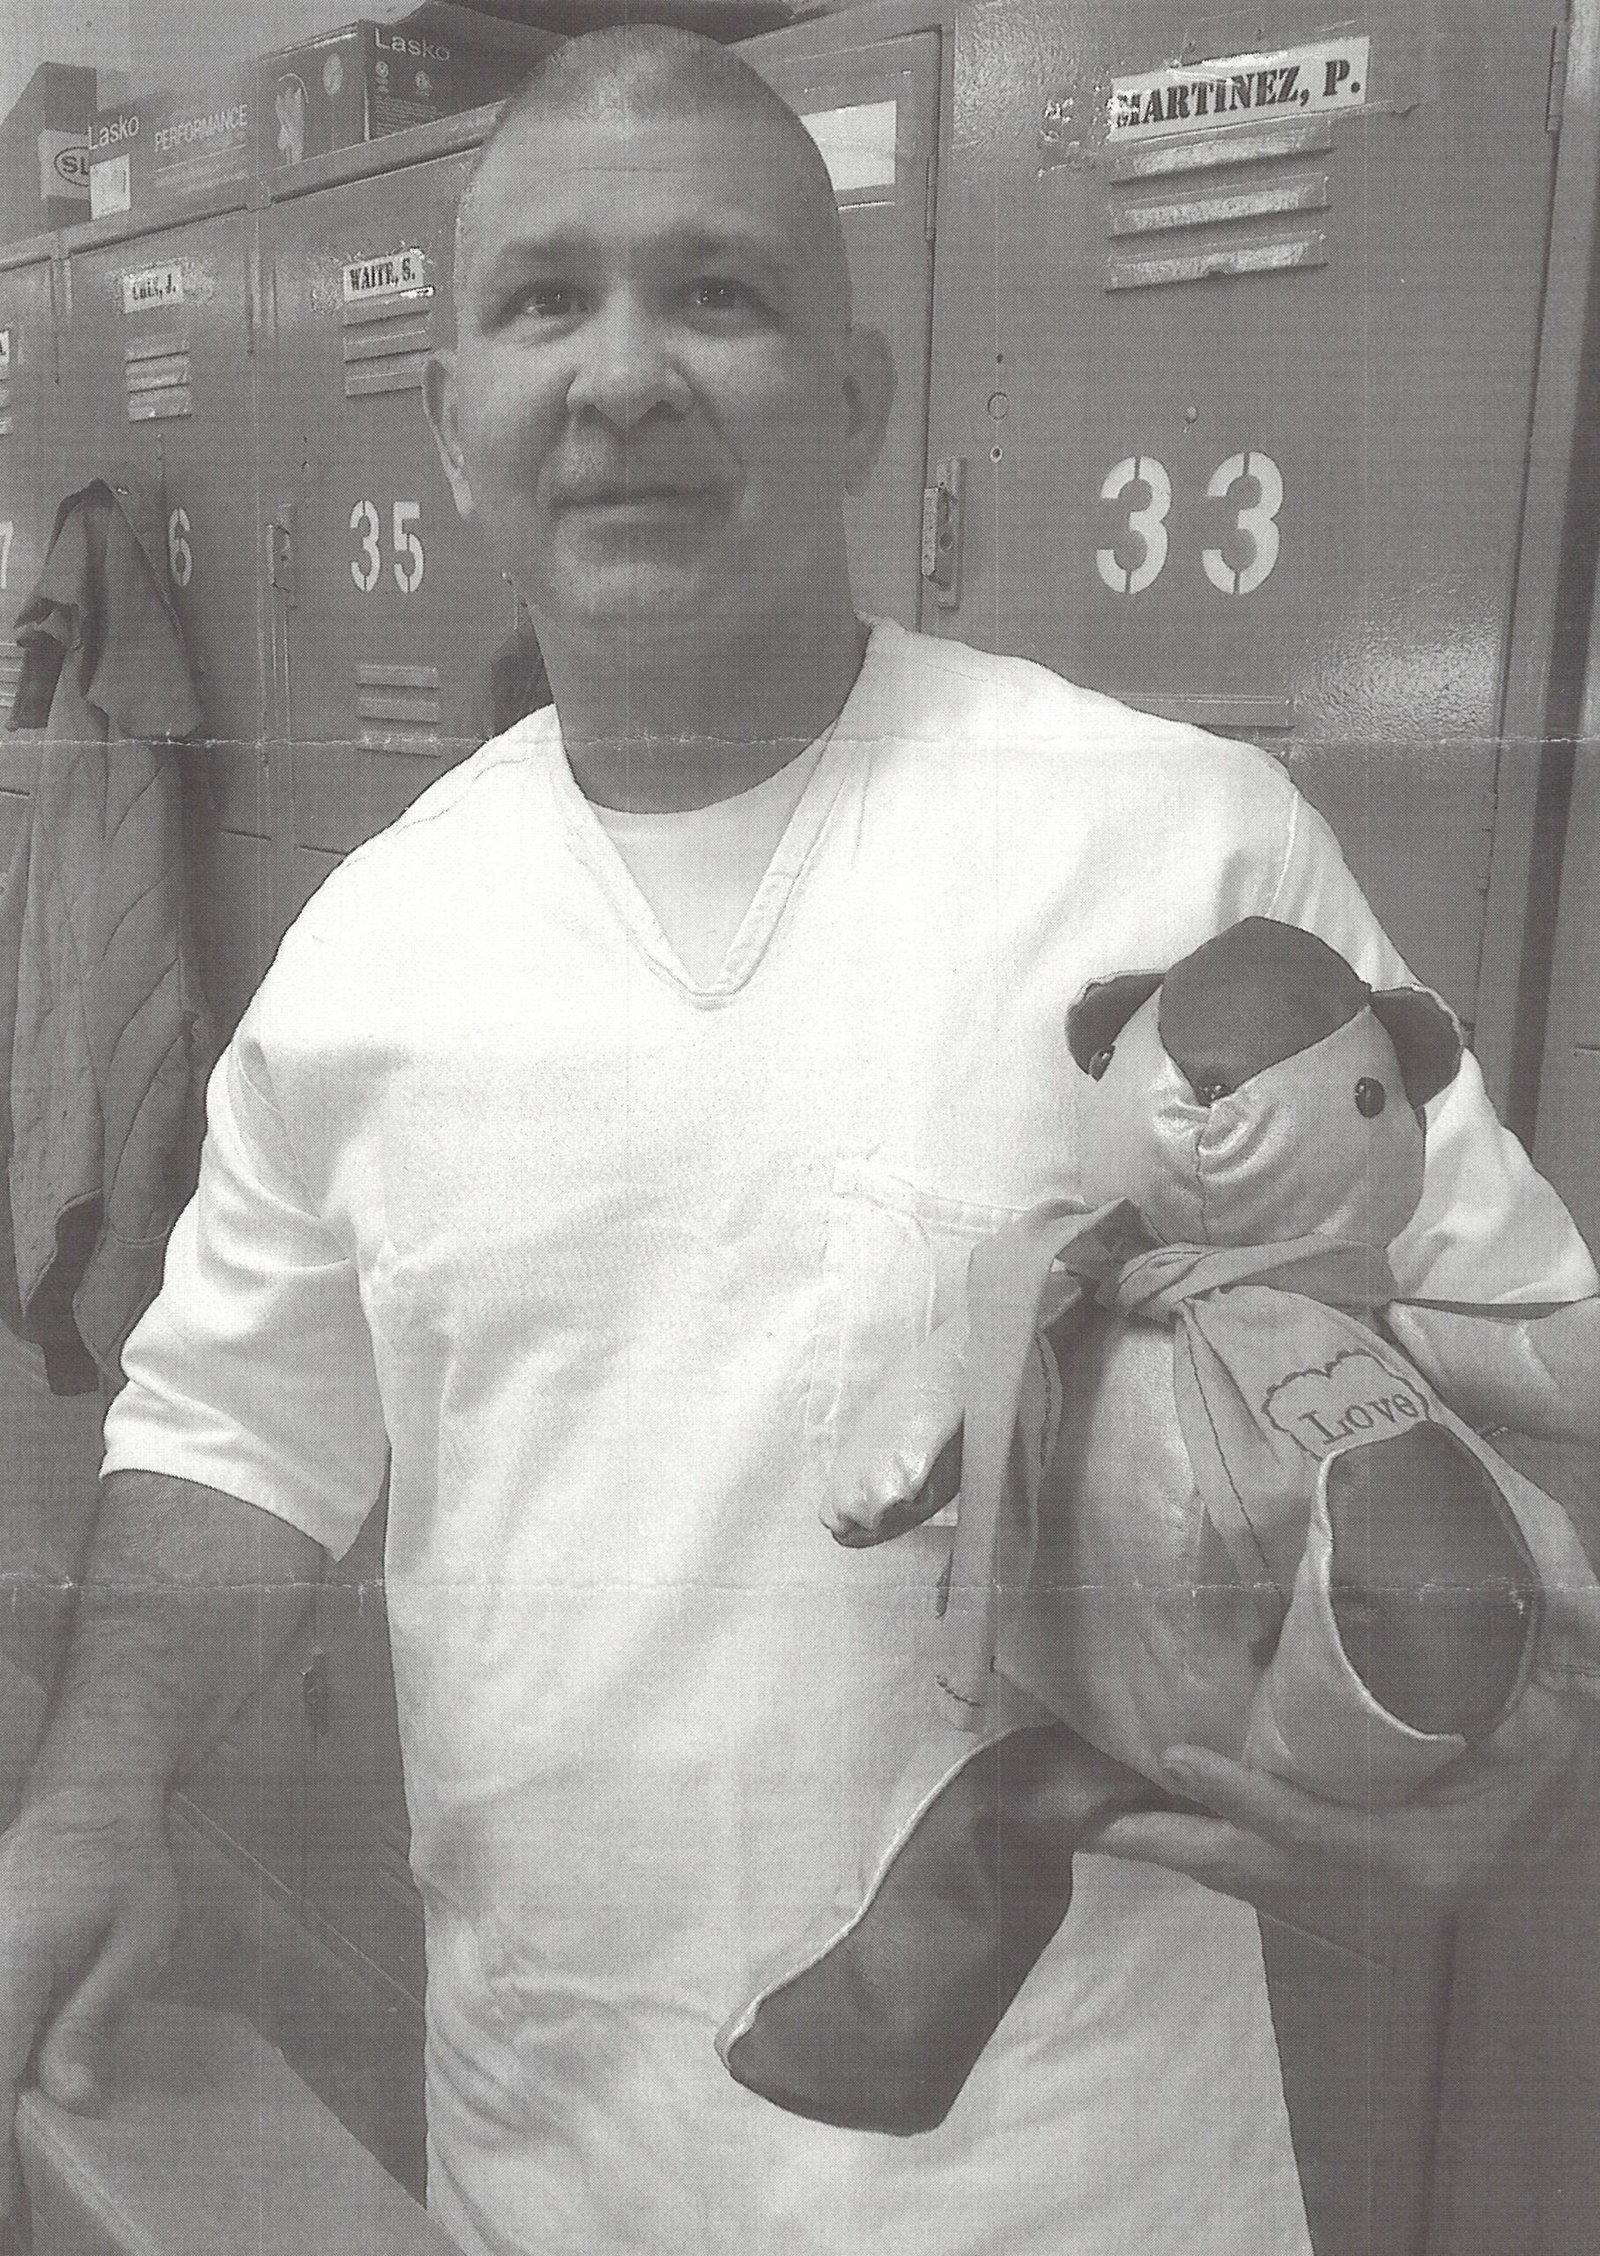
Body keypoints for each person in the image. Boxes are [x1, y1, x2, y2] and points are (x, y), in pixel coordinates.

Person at [1, 26, 1596, 2256]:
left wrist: (1545, 1724)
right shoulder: (372, 953)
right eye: (541, 303)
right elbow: (236, 1431)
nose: (620, 377)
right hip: (548, 2158)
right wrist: (95, 1790)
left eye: (717, 295)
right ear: (451, 415)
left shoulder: (1169, 843)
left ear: (854, 400)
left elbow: (1522, 1335)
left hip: (1082, 2193)